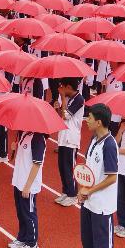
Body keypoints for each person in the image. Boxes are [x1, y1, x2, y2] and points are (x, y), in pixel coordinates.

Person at [79, 104, 118, 248]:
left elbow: (112, 177)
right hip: (88, 202)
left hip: (101, 205)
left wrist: (89, 190)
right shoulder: (93, 139)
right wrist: (82, 188)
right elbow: (88, 168)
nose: (86, 120)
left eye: (89, 117)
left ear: (99, 122)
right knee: (87, 242)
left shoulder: (109, 145)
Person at [8, 131, 47, 248]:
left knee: (29, 214)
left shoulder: (38, 138)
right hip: (19, 181)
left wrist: (27, 186)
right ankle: (22, 237)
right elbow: (18, 159)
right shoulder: (23, 133)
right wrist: (14, 148)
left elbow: (36, 164)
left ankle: (32, 243)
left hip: (28, 185)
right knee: (21, 212)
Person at [54, 77, 84, 207]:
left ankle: (72, 195)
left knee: (69, 167)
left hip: (71, 138)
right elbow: (61, 114)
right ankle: (66, 191)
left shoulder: (79, 99)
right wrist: (57, 108)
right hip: (63, 136)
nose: (61, 89)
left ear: (69, 87)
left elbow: (66, 115)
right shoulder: (70, 98)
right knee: (62, 166)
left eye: (63, 87)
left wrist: (62, 97)